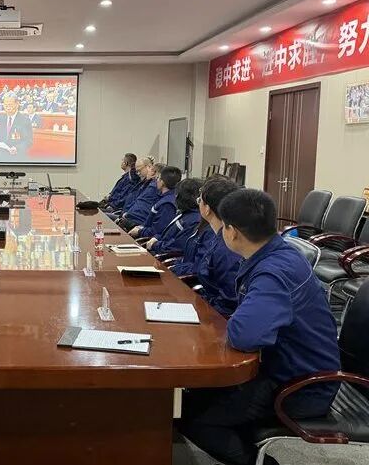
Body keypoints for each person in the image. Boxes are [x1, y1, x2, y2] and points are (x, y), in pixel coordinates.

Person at [178, 189, 340, 465]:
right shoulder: (277, 254)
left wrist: (236, 319)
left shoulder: (273, 272)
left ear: (232, 232)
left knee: (191, 416)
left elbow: (244, 335)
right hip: (290, 368)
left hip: (300, 387)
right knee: (191, 395)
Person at [196, 176, 243, 317]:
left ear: (207, 209)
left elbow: (230, 304)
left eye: (199, 201)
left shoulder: (228, 248)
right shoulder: (221, 236)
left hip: (218, 318)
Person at [145, 178, 202, 254]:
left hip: (162, 255)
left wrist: (155, 245)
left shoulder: (194, 221)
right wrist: (157, 238)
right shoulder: (185, 214)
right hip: (160, 248)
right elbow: (168, 235)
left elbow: (175, 247)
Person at [129, 166, 182, 238]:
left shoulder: (167, 204)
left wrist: (139, 231)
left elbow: (157, 231)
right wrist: (141, 227)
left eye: (158, 178)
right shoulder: (164, 198)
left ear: (162, 182)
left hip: (148, 240)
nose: (156, 181)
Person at [117, 162, 165, 231]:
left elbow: (141, 205)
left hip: (136, 222)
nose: (138, 173)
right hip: (129, 217)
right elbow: (137, 200)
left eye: (150, 169)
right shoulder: (147, 184)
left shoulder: (154, 187)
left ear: (154, 173)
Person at [0, 92, 34, 159]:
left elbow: (28, 141)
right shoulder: (1, 119)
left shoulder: (24, 120)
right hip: (1, 157)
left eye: (10, 105)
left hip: (17, 157)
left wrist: (17, 148)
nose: (8, 107)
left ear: (17, 104)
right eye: (5, 105)